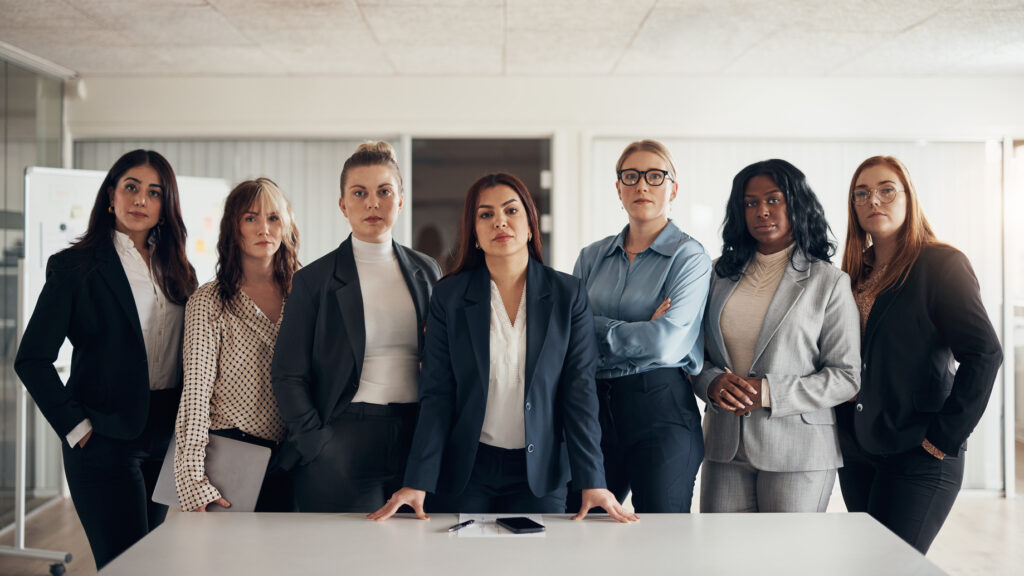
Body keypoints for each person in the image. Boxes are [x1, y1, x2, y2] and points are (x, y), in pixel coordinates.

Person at [369, 173, 635, 523]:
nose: (500, 221)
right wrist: (418, 481)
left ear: (529, 226)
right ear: (475, 233)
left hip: (539, 473)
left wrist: (592, 480)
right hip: (467, 468)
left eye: (511, 210)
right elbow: (437, 395)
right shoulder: (449, 297)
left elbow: (580, 392)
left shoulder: (568, 295)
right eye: (486, 214)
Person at [15, 149, 197, 569]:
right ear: (111, 194)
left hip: (163, 437)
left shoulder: (180, 271)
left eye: (154, 193)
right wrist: (76, 428)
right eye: (131, 187)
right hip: (103, 438)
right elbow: (32, 359)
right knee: (124, 565)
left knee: (152, 562)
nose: (140, 200)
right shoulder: (74, 267)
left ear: (164, 207)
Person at [837, 155, 1002, 553]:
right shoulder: (852, 273)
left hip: (919, 450)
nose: (873, 200)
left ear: (909, 198)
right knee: (867, 563)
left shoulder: (941, 263)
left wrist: (942, 439)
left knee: (894, 565)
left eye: (886, 190)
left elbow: (984, 353)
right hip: (858, 448)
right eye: (862, 194)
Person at [272, 141, 441, 512]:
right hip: (344, 438)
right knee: (348, 560)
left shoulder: (427, 271)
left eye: (384, 192)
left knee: (413, 557)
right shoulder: (314, 280)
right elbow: (287, 374)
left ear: (400, 200)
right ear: (342, 204)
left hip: (415, 438)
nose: (372, 203)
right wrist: (315, 440)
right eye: (359, 193)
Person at [692, 159, 860, 513]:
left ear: (796, 203)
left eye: (774, 199)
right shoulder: (716, 276)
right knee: (722, 562)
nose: (762, 211)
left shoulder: (828, 282)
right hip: (724, 445)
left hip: (799, 450)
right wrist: (710, 383)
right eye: (751, 203)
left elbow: (846, 377)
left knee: (789, 562)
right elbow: (692, 354)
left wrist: (767, 392)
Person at [571, 139, 710, 513]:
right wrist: (639, 330)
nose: (642, 186)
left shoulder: (688, 256)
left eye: (654, 176)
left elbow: (666, 344)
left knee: (660, 542)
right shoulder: (591, 257)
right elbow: (569, 336)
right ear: (618, 189)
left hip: (660, 411)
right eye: (630, 177)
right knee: (581, 530)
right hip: (594, 411)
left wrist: (596, 328)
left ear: (673, 189)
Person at [174, 178, 300, 512]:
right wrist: (192, 479)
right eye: (250, 218)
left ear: (286, 225)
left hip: (297, 458)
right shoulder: (209, 302)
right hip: (230, 456)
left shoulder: (305, 295)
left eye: (273, 218)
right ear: (234, 227)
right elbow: (195, 395)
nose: (264, 228)